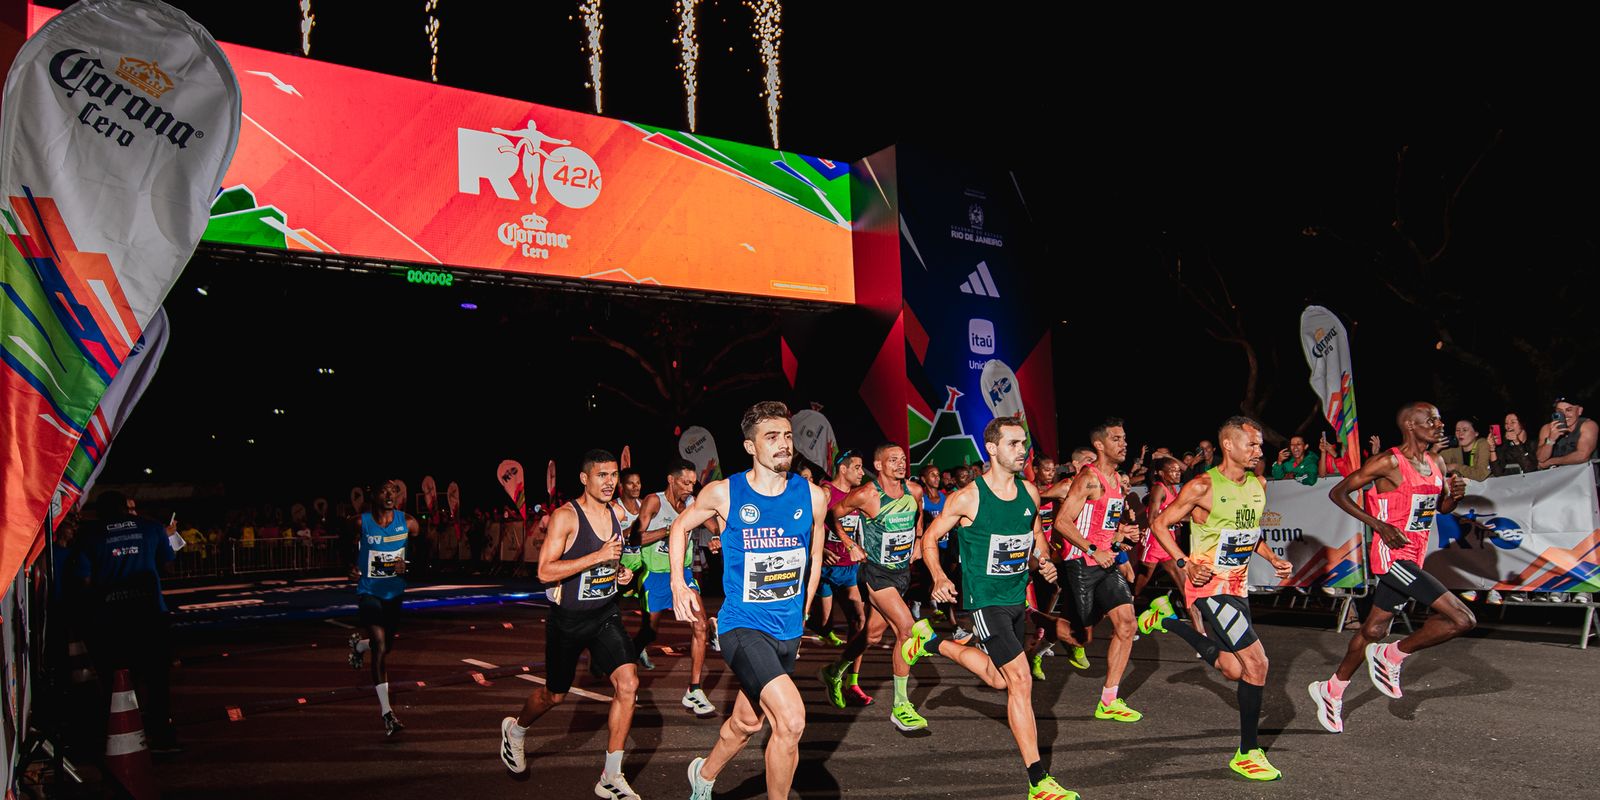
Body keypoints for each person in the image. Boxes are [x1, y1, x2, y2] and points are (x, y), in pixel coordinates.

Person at [900, 417, 1078, 800]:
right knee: (1021, 681)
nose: (1023, 450)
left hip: (1016, 599)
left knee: (1000, 681)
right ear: (992, 449)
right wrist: (939, 578)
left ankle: (929, 644)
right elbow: (929, 539)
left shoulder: (1030, 493)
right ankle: (1038, 781)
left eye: (1024, 443)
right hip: (985, 601)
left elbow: (1035, 539)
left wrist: (1042, 561)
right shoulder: (969, 496)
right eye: (1014, 443)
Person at [673, 402, 828, 800]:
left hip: (789, 629)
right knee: (791, 722)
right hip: (743, 625)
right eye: (771, 437)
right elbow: (679, 527)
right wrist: (679, 580)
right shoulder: (724, 493)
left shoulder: (812, 496)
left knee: (746, 723)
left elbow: (813, 555)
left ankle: (703, 777)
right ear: (750, 446)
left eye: (788, 436)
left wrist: (807, 603)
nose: (783, 444)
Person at [1309, 403, 1474, 735]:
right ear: (1411, 425)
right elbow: (1338, 492)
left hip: (1415, 556)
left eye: (1440, 419)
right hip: (1392, 557)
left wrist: (1453, 498)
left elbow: (1439, 508)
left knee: (1372, 630)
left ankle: (1332, 689)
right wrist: (1378, 526)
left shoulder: (1435, 461)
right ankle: (1393, 654)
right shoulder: (1388, 462)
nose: (1440, 425)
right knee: (1462, 619)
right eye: (1432, 420)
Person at [1145, 416, 1293, 781]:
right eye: (1252, 445)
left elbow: (1248, 533)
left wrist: (1272, 557)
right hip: (1211, 589)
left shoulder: (1258, 485)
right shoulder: (1201, 486)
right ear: (1228, 445)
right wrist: (1185, 563)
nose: (1259, 451)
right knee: (1258, 664)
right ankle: (1247, 753)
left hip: (1238, 587)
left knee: (1233, 669)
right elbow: (1159, 524)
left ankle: (1166, 619)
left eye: (1260, 445)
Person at [499, 450, 642, 799]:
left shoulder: (618, 515)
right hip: (569, 620)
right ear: (584, 478)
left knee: (629, 684)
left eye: (613, 476)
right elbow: (545, 571)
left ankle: (611, 775)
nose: (609, 482)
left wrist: (621, 573)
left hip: (605, 612)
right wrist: (597, 557)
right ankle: (515, 730)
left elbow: (613, 562)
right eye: (601, 476)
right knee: (554, 695)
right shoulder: (565, 517)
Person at [1040, 418, 1149, 721]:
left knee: (1127, 624)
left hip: (1106, 563)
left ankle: (1109, 700)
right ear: (1099, 445)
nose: (1123, 444)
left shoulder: (1117, 483)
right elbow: (1062, 522)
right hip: (1081, 562)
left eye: (1124, 438)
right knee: (1081, 636)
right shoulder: (1089, 478)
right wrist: (1092, 549)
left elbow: (1103, 524)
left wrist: (1121, 536)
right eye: (1116, 439)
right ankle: (1040, 621)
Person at [818, 443, 927, 730]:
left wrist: (918, 540)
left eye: (903, 459)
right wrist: (849, 542)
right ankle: (901, 705)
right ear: (878, 465)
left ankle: (834, 670)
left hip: (901, 573)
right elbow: (834, 515)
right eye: (893, 460)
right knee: (907, 630)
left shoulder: (914, 491)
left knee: (872, 636)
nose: (901, 464)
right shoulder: (867, 494)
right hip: (875, 574)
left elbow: (919, 517)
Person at [74, 491, 180, 752]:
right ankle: (162, 738)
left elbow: (84, 581)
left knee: (116, 684)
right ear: (126, 508)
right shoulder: (152, 527)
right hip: (150, 616)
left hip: (111, 620)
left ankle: (120, 739)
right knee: (157, 681)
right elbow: (169, 566)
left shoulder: (89, 536)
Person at [632, 460, 717, 715]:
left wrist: (716, 537)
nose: (690, 488)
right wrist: (670, 530)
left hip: (684, 573)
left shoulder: (693, 504)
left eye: (693, 483)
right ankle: (627, 675)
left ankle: (694, 690)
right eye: (685, 482)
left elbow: (714, 525)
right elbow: (636, 537)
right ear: (671, 480)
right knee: (649, 632)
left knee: (700, 625)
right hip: (655, 576)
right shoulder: (654, 502)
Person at [346, 479, 418, 737]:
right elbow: (344, 546)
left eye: (394, 491)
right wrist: (350, 568)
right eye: (384, 491)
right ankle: (387, 713)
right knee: (381, 644)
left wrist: (409, 564)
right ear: (373, 494)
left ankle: (358, 646)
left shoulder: (408, 522)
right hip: (368, 592)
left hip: (394, 593)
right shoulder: (359, 522)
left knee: (385, 644)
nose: (390, 495)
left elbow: (425, 552)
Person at [810, 451, 868, 671]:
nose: (862, 472)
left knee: (859, 620)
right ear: (843, 469)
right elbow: (807, 525)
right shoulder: (826, 493)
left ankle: (851, 679)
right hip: (824, 568)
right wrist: (822, 549)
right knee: (824, 623)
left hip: (847, 569)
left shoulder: (858, 495)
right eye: (857, 467)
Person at [1537, 396, 1598, 468]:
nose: (1564, 415)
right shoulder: (1547, 428)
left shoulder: (1588, 425)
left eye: (1569, 410)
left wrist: (1552, 461)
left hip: (1583, 474)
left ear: (1579, 411)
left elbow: (1582, 456)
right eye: (1560, 411)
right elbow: (1541, 458)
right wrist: (1551, 440)